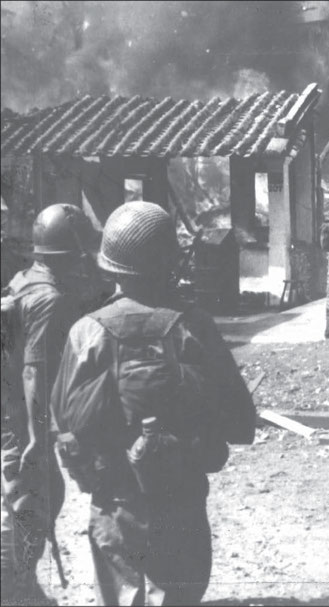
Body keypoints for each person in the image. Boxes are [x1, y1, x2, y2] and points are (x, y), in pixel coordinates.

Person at [50, 201, 257, 605]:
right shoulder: (193, 325)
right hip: (180, 490)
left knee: (122, 596)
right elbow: (236, 416)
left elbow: (65, 419)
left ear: (110, 263)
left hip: (116, 498)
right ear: (169, 262)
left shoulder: (87, 331)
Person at [1, 203, 100, 605]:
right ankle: (13, 588)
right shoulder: (50, 299)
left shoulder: (24, 279)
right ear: (70, 254)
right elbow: (34, 372)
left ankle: (21, 586)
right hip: (18, 415)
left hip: (10, 408)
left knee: (35, 496)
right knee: (30, 498)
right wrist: (36, 438)